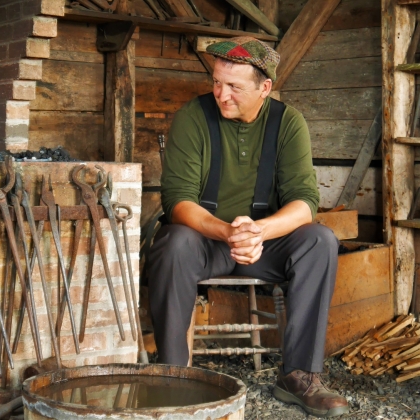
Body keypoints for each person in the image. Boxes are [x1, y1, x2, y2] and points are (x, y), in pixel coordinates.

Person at [147, 36, 349, 418]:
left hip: (264, 244)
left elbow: (305, 201)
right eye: (217, 82)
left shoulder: (288, 122)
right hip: (205, 242)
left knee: (320, 240)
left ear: (265, 88)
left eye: (235, 87)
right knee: (173, 243)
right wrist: (227, 232)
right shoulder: (193, 116)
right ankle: (174, 375)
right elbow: (178, 200)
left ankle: (299, 376)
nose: (222, 94)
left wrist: (259, 232)